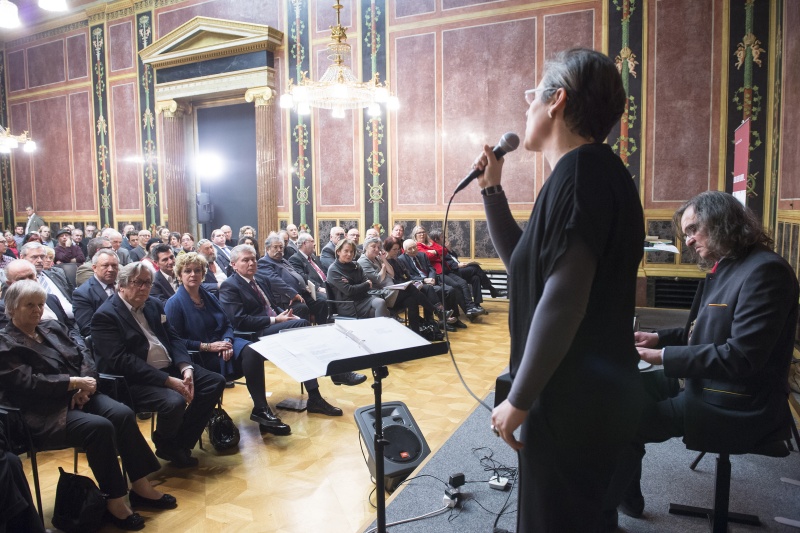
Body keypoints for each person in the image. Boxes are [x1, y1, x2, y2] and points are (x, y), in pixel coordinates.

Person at [475, 48, 645, 530]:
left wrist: (520, 398)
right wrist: (492, 190)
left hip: (573, 402)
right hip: (588, 399)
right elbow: (526, 266)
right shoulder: (589, 173)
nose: (525, 108)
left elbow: (565, 297)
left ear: (557, 101)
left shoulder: (582, 171)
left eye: (532, 97)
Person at [605, 191, 800, 521]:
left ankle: (610, 505)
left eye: (694, 229)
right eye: (686, 233)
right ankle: (623, 489)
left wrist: (663, 356)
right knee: (628, 394)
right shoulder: (727, 266)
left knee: (627, 423)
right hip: (709, 382)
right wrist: (658, 337)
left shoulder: (766, 272)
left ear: (723, 221)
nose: (689, 240)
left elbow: (740, 358)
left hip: (737, 401)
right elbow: (701, 332)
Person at [0, 280, 177, 530]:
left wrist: (87, 384)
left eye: (40, 304)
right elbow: (28, 383)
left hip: (81, 395)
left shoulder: (51, 327)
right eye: (29, 305)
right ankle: (115, 501)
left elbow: (83, 352)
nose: (37, 310)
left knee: (123, 413)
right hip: (44, 412)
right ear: (11, 307)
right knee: (99, 427)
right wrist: (72, 383)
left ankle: (140, 485)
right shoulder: (5, 342)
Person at [91, 262, 226, 468]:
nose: (144, 288)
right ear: (122, 285)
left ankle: (174, 443)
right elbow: (122, 361)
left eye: (147, 283)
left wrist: (185, 367)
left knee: (214, 382)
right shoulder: (105, 316)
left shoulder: (153, 304)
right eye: (137, 283)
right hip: (132, 381)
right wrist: (167, 381)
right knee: (174, 401)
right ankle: (170, 443)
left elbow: (173, 338)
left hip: (169, 366)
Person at [166, 252, 296, 434]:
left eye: (197, 270)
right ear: (180, 274)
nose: (193, 274)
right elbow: (176, 342)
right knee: (247, 351)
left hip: (222, 344)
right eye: (187, 271)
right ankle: (258, 412)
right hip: (199, 356)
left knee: (252, 350)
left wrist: (226, 341)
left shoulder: (208, 297)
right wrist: (208, 346)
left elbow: (227, 323)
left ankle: (261, 409)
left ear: (203, 274)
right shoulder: (174, 304)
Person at [218, 245, 354, 416]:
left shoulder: (257, 280)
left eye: (253, 259)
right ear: (234, 264)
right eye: (245, 260)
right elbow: (238, 321)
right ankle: (334, 375)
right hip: (251, 335)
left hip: (270, 326)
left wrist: (283, 315)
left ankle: (317, 395)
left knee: (303, 335)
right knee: (302, 327)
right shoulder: (229, 286)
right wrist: (276, 319)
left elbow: (269, 305)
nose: (252, 263)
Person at [358, 236, 439, 336]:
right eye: (373, 247)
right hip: (377, 294)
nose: (376, 249)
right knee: (410, 288)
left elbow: (391, 273)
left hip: (387, 290)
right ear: (365, 247)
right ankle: (436, 311)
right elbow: (378, 280)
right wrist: (383, 268)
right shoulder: (363, 261)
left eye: (378, 247)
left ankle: (416, 333)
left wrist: (384, 260)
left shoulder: (377, 259)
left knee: (412, 300)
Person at [413, 225, 483, 318]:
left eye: (423, 232)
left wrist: (435, 252)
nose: (422, 234)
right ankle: (468, 311)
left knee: (463, 282)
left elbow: (444, 250)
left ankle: (471, 308)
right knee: (455, 286)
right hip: (436, 273)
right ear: (415, 235)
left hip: (445, 269)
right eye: (419, 233)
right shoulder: (417, 246)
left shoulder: (430, 242)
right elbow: (427, 256)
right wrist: (437, 254)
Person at [429, 229, 507, 301]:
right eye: (442, 237)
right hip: (452, 272)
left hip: (457, 269)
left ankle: (477, 305)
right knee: (475, 267)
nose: (445, 238)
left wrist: (450, 250)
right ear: (436, 239)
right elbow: (443, 263)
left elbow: (454, 258)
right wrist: (457, 265)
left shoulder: (443, 247)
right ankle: (492, 289)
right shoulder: (435, 249)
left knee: (476, 278)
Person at [326, 239, 389, 319]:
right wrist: (364, 284)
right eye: (346, 251)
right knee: (381, 311)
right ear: (338, 252)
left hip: (364, 298)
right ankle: (382, 330)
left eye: (351, 252)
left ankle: (382, 330)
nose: (349, 254)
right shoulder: (334, 270)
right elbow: (349, 291)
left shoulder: (356, 265)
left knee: (381, 302)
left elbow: (369, 285)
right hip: (348, 304)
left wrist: (352, 283)